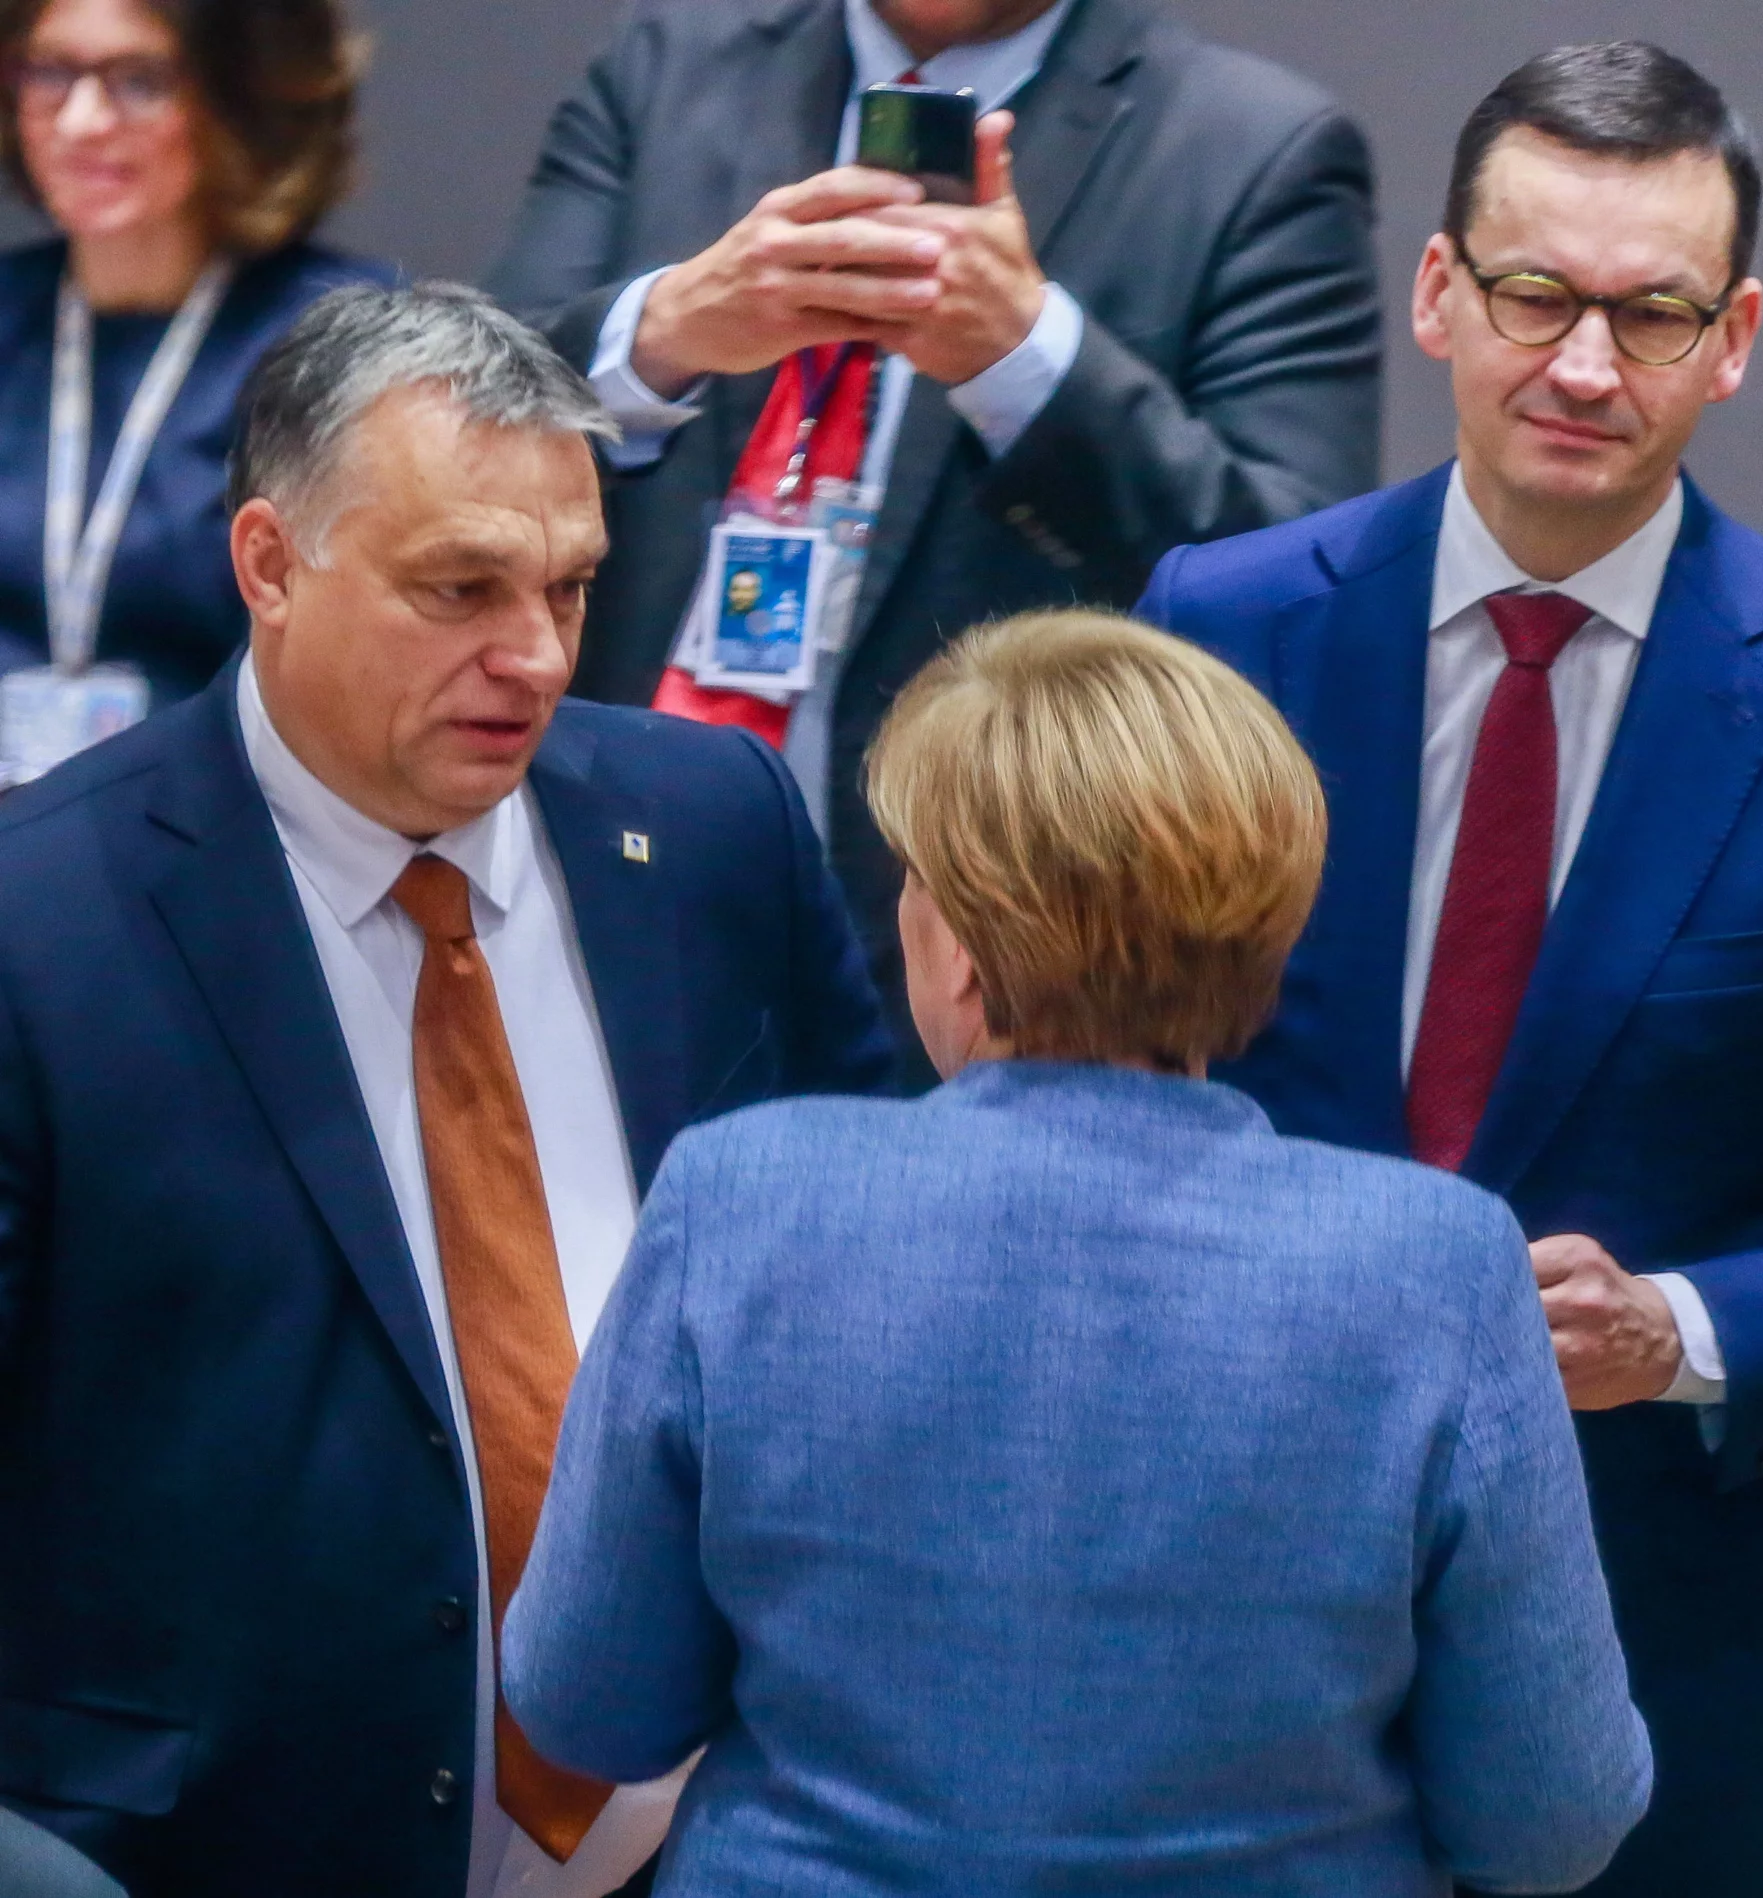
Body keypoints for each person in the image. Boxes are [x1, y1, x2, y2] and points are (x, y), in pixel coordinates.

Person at [1137, 43, 1763, 1898]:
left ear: (1740, 335)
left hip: (1650, 1656)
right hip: (1206, 1619)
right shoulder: (1216, 629)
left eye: (1652, 313)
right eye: (1536, 295)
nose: (1585, 366)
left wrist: (1685, 1335)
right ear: (1440, 290)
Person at [501, 608, 1651, 1896]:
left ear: (962, 937)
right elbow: (1549, 1818)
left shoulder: (741, 1197)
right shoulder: (1436, 1270)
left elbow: (586, 1703)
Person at [0, 284, 894, 1898]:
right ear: (270, 563)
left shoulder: (711, 827)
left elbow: (877, 1273)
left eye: (568, 587)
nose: (535, 656)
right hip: (206, 1848)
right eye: (460, 588)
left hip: (701, 1847)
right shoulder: (39, 922)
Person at [485, 0, 1384, 1078]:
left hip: (973, 962)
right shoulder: (664, 72)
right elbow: (457, 415)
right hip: (611, 905)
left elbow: (1293, 589)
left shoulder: (1250, 150)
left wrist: (1028, 362)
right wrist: (664, 330)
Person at [0, 0, 391, 783]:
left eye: (138, 81)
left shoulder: (342, 346)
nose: (80, 121)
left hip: (219, 839)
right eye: (51, 71)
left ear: (238, 95)